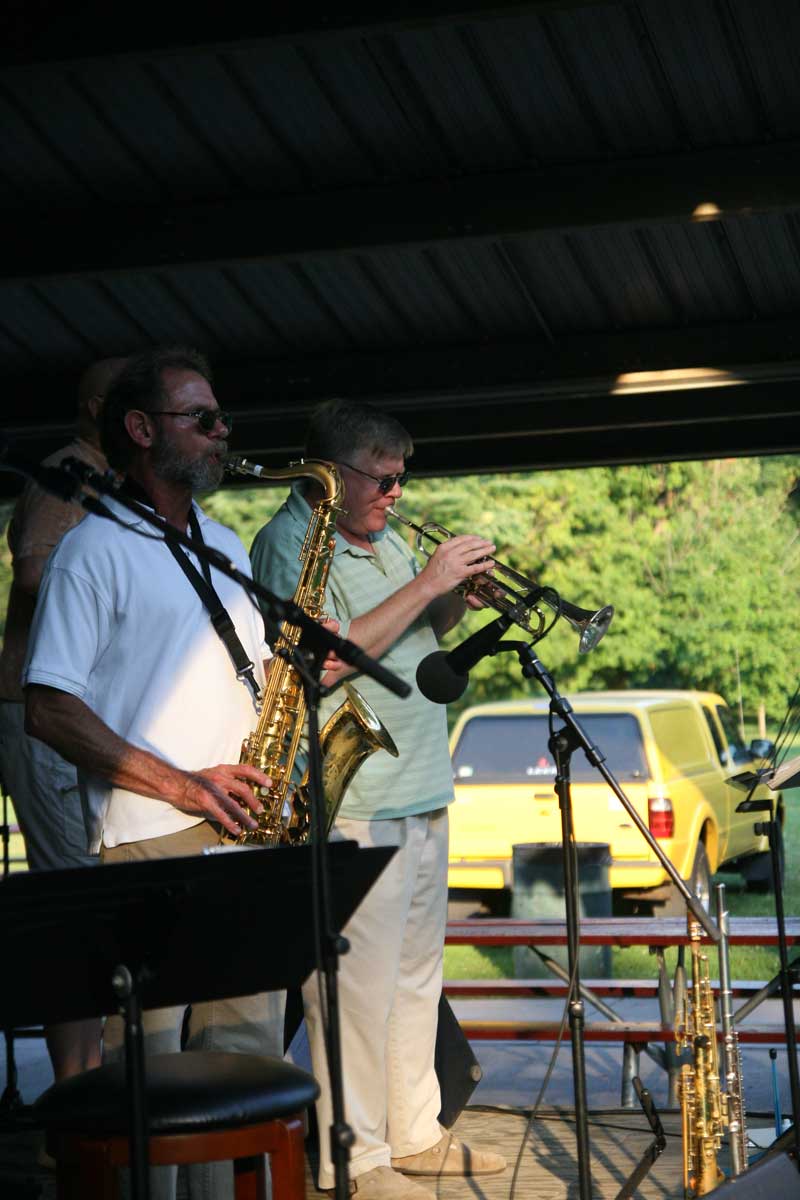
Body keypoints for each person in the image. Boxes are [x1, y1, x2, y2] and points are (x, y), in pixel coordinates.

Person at [22, 346, 283, 1200]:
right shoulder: (92, 551)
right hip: (150, 841)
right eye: (202, 419)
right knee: (155, 1090)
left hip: (246, 830)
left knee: (241, 1080)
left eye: (221, 419)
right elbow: (48, 706)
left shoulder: (225, 541)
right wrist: (181, 784)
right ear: (141, 430)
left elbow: (250, 678)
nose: (222, 433)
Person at [250, 398, 507, 1200]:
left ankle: (413, 1130)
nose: (398, 494)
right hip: (353, 793)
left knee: (414, 978)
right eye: (385, 480)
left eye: (403, 478)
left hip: (423, 782)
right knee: (352, 991)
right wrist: (429, 577)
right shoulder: (290, 541)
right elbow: (322, 662)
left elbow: (412, 628)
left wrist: (454, 594)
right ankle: (352, 1157)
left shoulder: (385, 532)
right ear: (334, 473)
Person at [0, 355, 127, 1084]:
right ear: (92, 408)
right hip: (39, 711)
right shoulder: (66, 473)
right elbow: (32, 570)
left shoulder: (115, 481)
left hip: (80, 716)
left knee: (95, 902)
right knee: (75, 901)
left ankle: (94, 1087)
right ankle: (78, 1104)